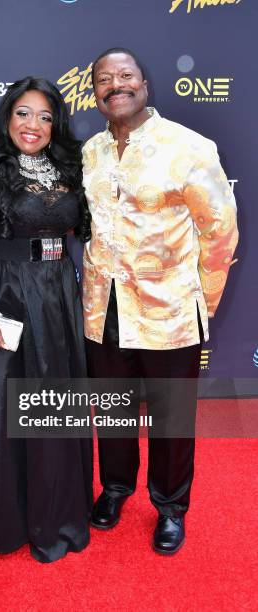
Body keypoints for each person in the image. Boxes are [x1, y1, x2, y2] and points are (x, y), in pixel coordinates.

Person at [83, 47, 238, 554]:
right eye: (104, 79)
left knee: (172, 418)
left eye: (125, 75)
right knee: (113, 411)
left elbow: (220, 232)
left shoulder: (189, 147)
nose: (115, 85)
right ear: (95, 93)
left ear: (144, 84)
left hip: (168, 310)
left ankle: (171, 506)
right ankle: (115, 488)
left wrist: (200, 301)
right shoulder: (90, 152)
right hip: (104, 308)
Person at [0, 77, 93, 563]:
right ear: (7, 118)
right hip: (7, 294)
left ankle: (57, 507)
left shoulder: (68, 167)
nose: (34, 125)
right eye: (24, 114)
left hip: (56, 294)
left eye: (46, 116)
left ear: (57, 124)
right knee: (8, 407)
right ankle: (14, 514)